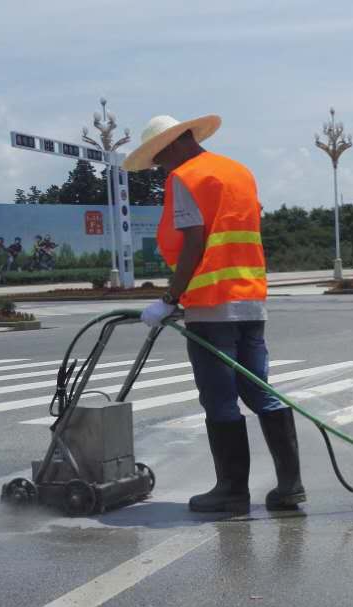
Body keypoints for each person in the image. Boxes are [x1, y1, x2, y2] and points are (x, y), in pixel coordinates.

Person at [124, 114, 303, 514]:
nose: (160, 168)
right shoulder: (239, 172)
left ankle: (231, 491)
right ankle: (291, 486)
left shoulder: (186, 177)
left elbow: (194, 242)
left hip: (211, 305)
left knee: (220, 399)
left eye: (159, 158)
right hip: (251, 301)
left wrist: (169, 298)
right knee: (259, 391)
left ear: (174, 144)